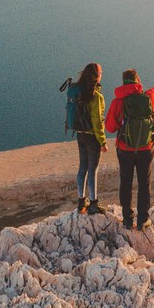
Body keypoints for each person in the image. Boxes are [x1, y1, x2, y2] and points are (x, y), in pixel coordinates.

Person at [105, 66, 154, 229]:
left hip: (124, 150)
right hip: (146, 149)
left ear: (124, 83)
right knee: (144, 183)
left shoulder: (118, 102)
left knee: (126, 183)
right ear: (138, 81)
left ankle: (127, 219)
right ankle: (143, 219)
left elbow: (110, 127)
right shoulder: (149, 97)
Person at [67, 62, 107, 214]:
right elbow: (97, 121)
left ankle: (81, 201)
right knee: (93, 170)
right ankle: (94, 203)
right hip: (92, 138)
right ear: (96, 76)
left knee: (82, 167)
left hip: (80, 135)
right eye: (101, 72)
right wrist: (103, 142)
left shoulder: (77, 91)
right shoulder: (96, 96)